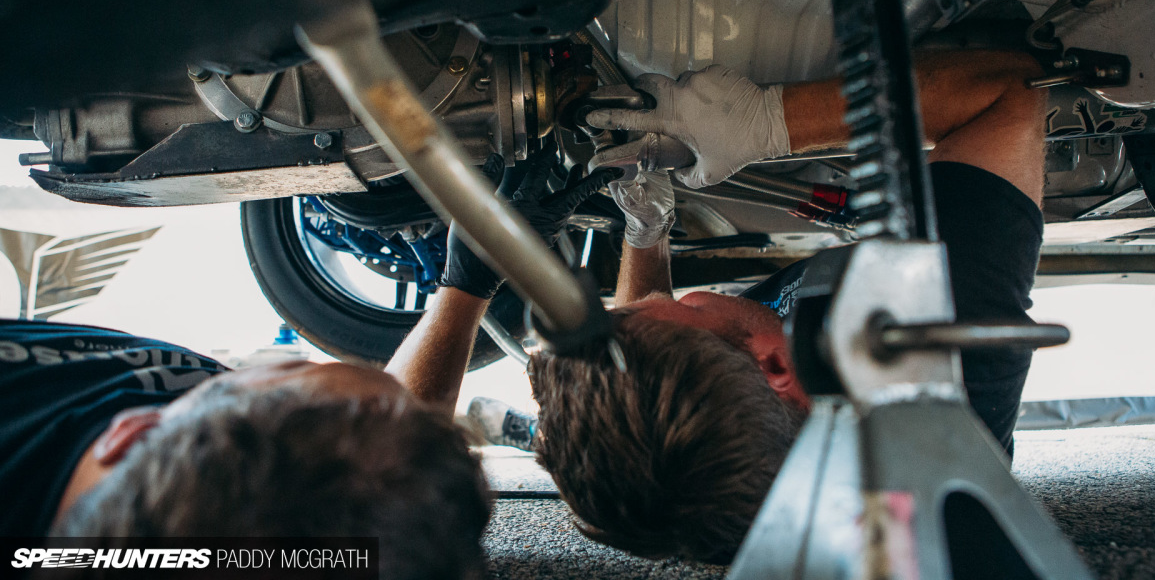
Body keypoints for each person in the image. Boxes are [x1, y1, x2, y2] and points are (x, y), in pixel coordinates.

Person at [526, 51, 1047, 563]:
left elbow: (646, 376)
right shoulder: (938, 333)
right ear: (774, 365)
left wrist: (647, 231)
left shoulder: (717, 497)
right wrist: (770, 121)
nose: (681, 297)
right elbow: (1011, 93)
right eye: (686, 306)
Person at [1, 149, 609, 580]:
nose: (286, 359)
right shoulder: (208, 501)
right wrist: (466, 284)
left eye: (288, 375)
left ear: (132, 431)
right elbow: (364, 499)